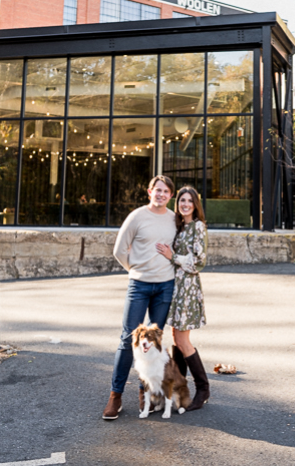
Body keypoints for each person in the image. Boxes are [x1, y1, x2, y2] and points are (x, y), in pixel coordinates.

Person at [103, 175, 178, 420]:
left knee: (155, 342)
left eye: (166, 191)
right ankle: (115, 396)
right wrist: (134, 270)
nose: (161, 194)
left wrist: (172, 256)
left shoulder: (174, 220)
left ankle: (144, 393)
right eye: (157, 190)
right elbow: (118, 250)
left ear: (170, 195)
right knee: (128, 340)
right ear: (149, 192)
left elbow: (181, 250)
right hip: (139, 285)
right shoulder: (136, 216)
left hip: (165, 286)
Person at [156, 185, 210, 410]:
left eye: (189, 201)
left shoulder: (198, 226)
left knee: (183, 340)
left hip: (188, 287)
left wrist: (173, 256)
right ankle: (179, 389)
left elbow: (199, 262)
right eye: (182, 201)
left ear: (195, 204)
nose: (185, 204)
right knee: (175, 338)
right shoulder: (179, 226)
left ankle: (203, 388)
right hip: (175, 286)